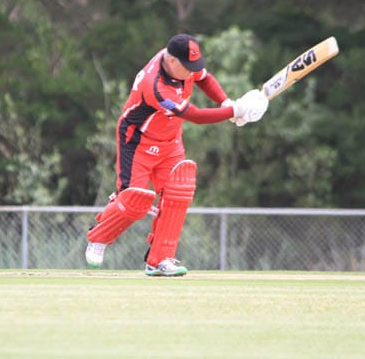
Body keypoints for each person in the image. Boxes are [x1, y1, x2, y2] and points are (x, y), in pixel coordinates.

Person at [85, 33, 268, 276]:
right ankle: (99, 236)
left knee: (177, 195)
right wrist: (235, 110)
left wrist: (225, 102)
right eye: (188, 67)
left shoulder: (181, 62)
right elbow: (195, 116)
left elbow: (205, 78)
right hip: (137, 141)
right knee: (134, 201)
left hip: (171, 142)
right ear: (171, 61)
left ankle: (159, 260)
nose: (192, 71)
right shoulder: (156, 86)